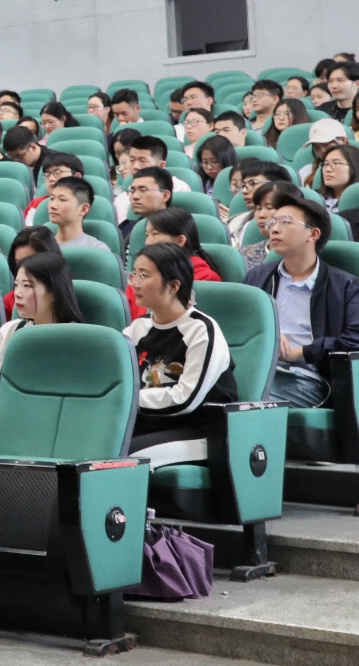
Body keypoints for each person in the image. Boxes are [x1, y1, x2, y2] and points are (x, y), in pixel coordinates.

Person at [124, 244, 238, 469]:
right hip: (148, 424)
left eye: (144, 276)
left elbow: (185, 399)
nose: (135, 283)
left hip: (199, 431)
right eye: (134, 274)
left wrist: (127, 400)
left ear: (174, 285)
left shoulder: (201, 330)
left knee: (116, 459)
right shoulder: (136, 329)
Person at [246, 192, 359, 408]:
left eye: (285, 222)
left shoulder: (345, 286)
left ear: (313, 234)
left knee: (247, 392)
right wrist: (268, 335)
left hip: (309, 377)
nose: (274, 229)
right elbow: (239, 325)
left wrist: (303, 353)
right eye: (272, 222)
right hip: (259, 366)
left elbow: (355, 339)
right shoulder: (257, 277)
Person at [0, 252, 84, 360]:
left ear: (54, 292)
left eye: (27, 285)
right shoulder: (10, 330)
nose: (17, 293)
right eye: (16, 285)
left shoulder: (78, 338)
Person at [46, 176, 107, 251]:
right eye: (52, 199)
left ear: (83, 209)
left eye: (62, 199)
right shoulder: (41, 247)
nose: (53, 206)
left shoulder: (96, 249)